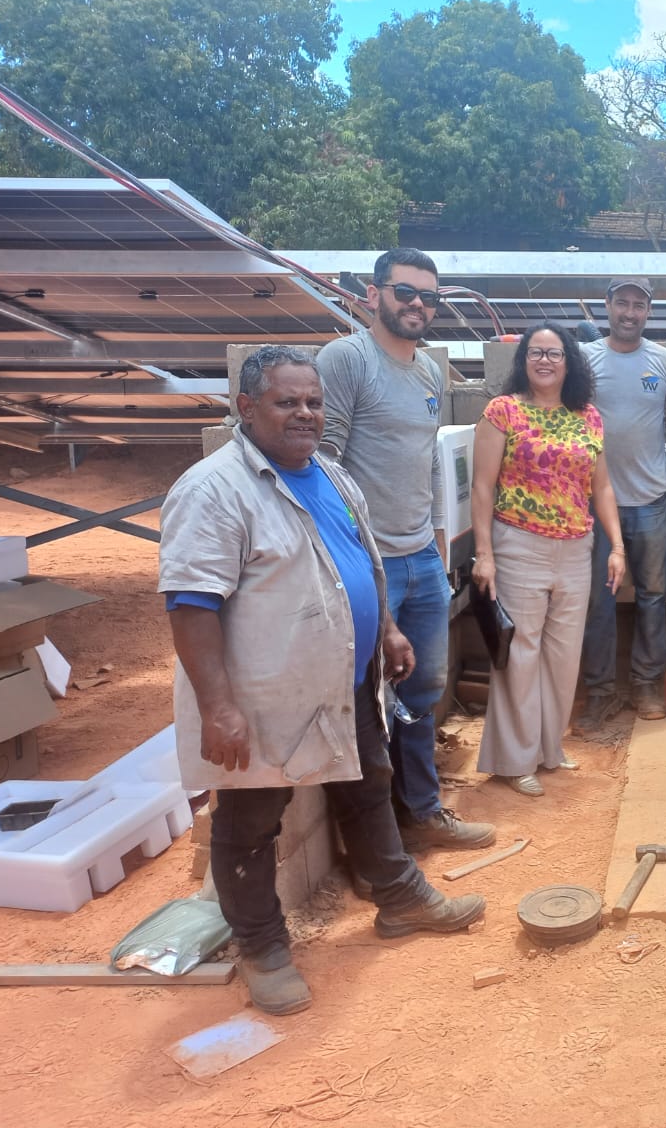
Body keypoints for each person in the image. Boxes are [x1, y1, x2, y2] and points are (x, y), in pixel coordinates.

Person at [160, 346, 487, 1017]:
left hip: (345, 676)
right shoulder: (213, 490)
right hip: (265, 693)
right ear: (246, 408)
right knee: (251, 820)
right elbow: (192, 605)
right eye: (286, 401)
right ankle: (263, 949)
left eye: (312, 402)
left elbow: (359, 566)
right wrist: (219, 707)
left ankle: (398, 899)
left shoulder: (331, 475)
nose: (304, 413)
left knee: (370, 784)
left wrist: (389, 628)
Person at [318, 247, 494, 852]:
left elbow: (430, 463)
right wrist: (358, 562)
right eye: (405, 293)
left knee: (423, 689)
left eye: (430, 297)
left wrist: (438, 546)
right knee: (371, 699)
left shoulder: (428, 371)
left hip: (420, 555)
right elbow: (326, 467)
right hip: (372, 563)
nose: (419, 305)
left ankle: (420, 812)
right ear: (374, 295)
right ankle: (373, 842)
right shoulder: (346, 360)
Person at [471, 323, 626, 793]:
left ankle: (550, 748)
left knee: (562, 655)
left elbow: (601, 486)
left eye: (554, 353)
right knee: (521, 653)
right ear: (523, 360)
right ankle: (516, 761)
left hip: (577, 548)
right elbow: (482, 486)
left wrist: (616, 546)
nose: (544, 360)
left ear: (569, 361)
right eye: (535, 352)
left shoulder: (588, 417)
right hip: (518, 545)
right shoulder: (502, 412)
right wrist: (485, 555)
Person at [576, 277, 666, 732]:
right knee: (598, 601)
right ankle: (601, 692)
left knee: (652, 597)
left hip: (652, 500)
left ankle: (646, 683)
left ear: (649, 311)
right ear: (607, 306)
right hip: (594, 504)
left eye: (638, 305)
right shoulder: (584, 360)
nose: (629, 312)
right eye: (621, 303)